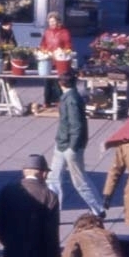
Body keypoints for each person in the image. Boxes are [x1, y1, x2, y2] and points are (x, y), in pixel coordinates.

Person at [48, 71, 105, 218]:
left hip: (68, 145)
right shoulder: (70, 96)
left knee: (79, 181)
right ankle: (52, 211)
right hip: (63, 143)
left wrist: (73, 147)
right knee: (53, 178)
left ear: (60, 83)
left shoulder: (71, 99)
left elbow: (76, 125)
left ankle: (98, 209)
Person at [0, 154, 60, 257]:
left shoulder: (7, 191)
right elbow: (51, 236)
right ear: (44, 173)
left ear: (24, 171)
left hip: (12, 252)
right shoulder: (50, 197)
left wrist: (10, 243)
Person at [40, 12, 72, 106]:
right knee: (47, 81)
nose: (51, 24)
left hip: (60, 60)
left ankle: (60, 101)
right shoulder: (47, 32)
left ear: (58, 21)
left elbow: (68, 45)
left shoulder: (64, 32)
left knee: (59, 81)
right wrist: (44, 51)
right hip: (49, 59)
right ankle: (47, 101)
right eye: (50, 22)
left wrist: (63, 51)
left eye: (53, 21)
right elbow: (43, 43)